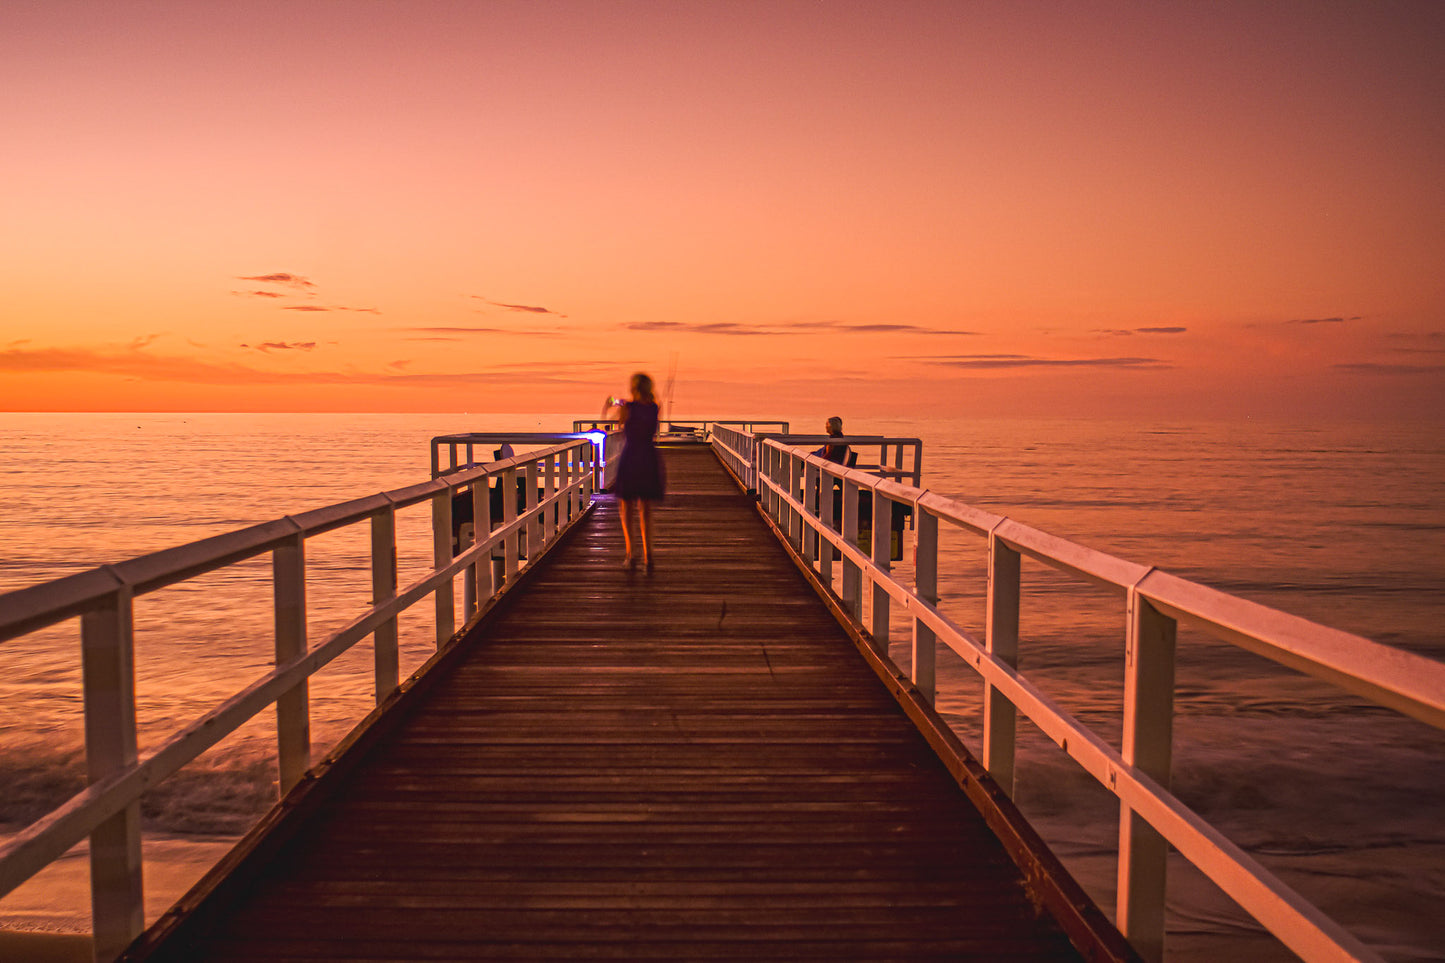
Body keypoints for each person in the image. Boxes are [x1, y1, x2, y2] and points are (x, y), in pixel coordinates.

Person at [602, 372, 666, 572]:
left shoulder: (628, 407)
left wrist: (611, 403)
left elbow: (617, 421)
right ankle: (649, 557)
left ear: (634, 388)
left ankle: (631, 554)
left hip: (630, 458)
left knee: (626, 508)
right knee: (645, 509)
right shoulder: (655, 408)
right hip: (648, 457)